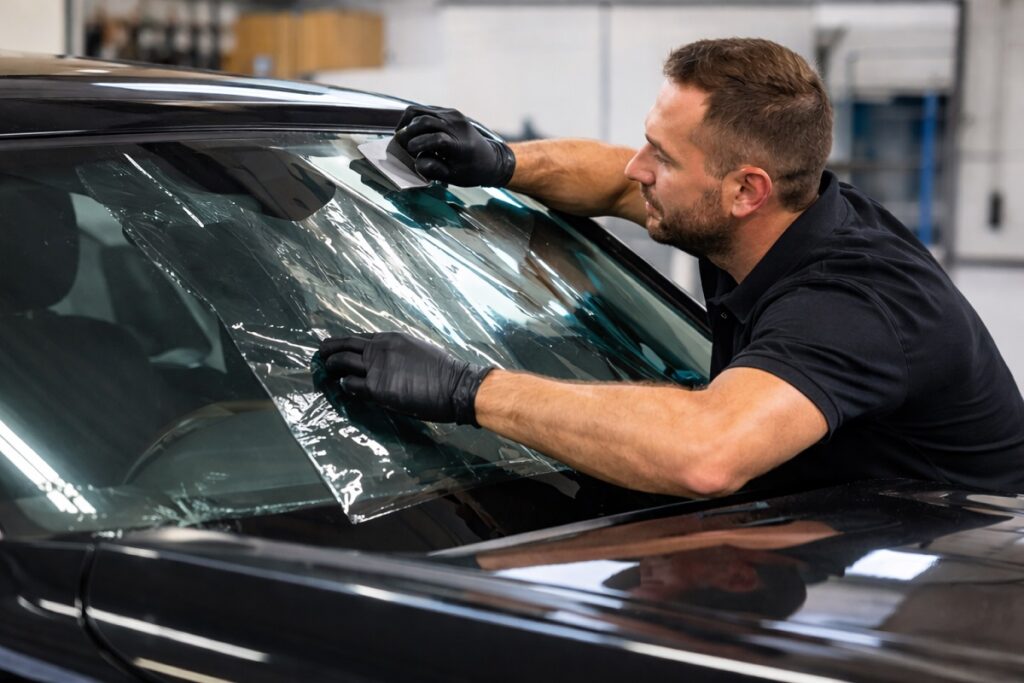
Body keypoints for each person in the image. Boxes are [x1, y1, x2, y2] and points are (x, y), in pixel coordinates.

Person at [318, 37, 1024, 498]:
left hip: (954, 564)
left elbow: (705, 451)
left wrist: (467, 388)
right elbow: (620, 184)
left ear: (746, 189)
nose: (637, 166)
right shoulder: (764, 217)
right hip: (835, 533)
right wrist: (504, 161)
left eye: (663, 155)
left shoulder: (852, 301)